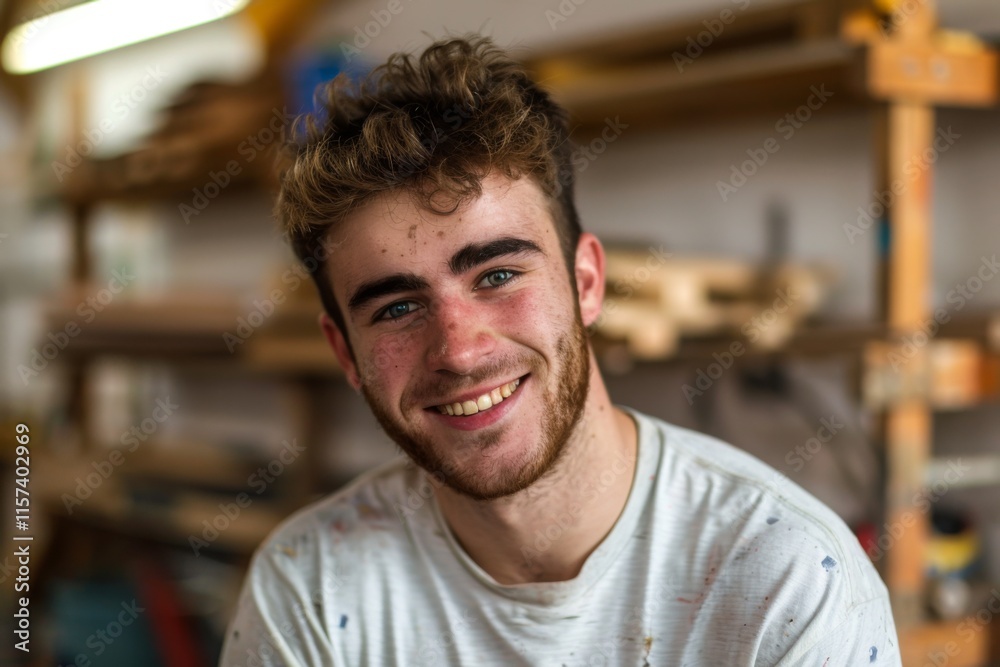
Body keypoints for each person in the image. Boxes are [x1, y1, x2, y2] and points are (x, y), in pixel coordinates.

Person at [220, 35, 900, 666]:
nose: (459, 351)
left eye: (497, 275)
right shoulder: (310, 588)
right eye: (397, 308)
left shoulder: (792, 580)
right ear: (345, 353)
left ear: (587, 283)